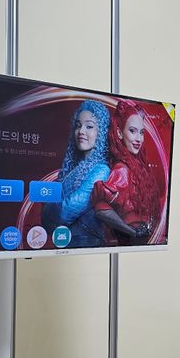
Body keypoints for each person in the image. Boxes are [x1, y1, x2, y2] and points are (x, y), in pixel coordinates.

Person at [41, 99, 111, 247]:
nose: (81, 132)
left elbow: (64, 213)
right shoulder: (72, 167)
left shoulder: (101, 170)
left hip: (87, 246)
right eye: (78, 126)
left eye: (89, 126)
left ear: (102, 132)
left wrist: (47, 207)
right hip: (64, 244)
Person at [92, 99, 161, 245]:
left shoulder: (138, 167)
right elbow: (100, 209)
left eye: (141, 132)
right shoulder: (122, 170)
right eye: (132, 131)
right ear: (119, 133)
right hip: (129, 244)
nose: (138, 139)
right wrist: (132, 232)